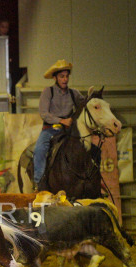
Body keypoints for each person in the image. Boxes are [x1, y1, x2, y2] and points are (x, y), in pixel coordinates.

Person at [33, 60, 85, 189]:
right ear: (55, 78)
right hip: (50, 129)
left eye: (67, 76)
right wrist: (62, 121)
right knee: (40, 150)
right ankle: (39, 182)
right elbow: (44, 113)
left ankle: (88, 177)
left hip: (69, 131)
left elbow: (85, 105)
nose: (65, 79)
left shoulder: (74, 93)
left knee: (87, 146)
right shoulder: (48, 92)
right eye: (62, 76)